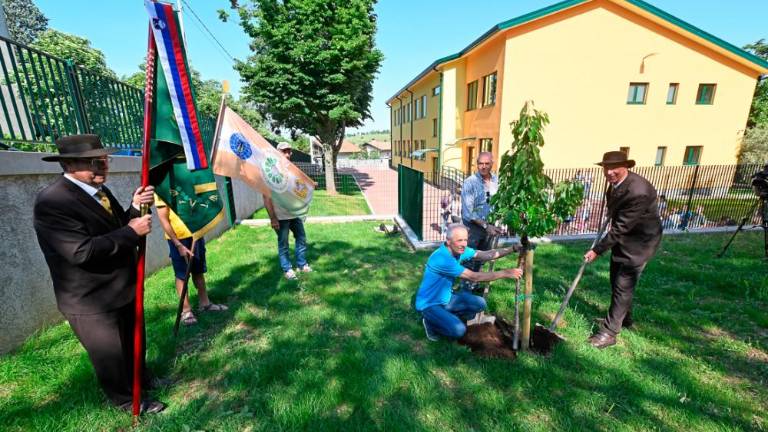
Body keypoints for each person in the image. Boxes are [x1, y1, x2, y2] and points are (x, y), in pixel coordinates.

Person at [33, 134, 165, 413]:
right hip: (91, 297)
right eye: (95, 162)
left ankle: (142, 380)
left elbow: (115, 226)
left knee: (133, 341)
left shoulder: (98, 191)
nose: (103, 166)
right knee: (111, 354)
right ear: (69, 165)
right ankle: (127, 401)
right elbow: (80, 251)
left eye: (105, 160)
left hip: (120, 287)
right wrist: (132, 231)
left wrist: (134, 206)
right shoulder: (53, 201)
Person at [584, 151, 662, 349]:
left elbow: (621, 227)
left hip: (640, 242)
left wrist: (597, 250)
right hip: (624, 239)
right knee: (615, 279)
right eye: (606, 168)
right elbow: (616, 216)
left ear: (625, 167)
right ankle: (624, 318)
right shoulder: (614, 186)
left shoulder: (638, 191)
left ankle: (609, 333)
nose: (609, 172)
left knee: (623, 283)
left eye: (614, 168)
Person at [415, 223, 523, 341]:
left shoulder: (458, 250)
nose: (463, 244)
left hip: (446, 299)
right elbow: (474, 277)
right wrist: (506, 273)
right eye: (459, 240)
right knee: (459, 330)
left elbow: (485, 255)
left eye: (465, 240)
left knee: (480, 303)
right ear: (448, 241)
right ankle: (430, 323)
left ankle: (444, 318)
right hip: (430, 304)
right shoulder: (442, 259)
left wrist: (512, 249)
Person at [155, 196, 228, 326]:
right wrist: (178, 244)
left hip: (195, 235)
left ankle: (205, 304)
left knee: (198, 271)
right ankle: (186, 311)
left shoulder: (188, 183)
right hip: (178, 238)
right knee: (182, 275)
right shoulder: (163, 188)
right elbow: (163, 219)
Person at [264, 141, 311, 280]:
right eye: (284, 151)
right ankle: (287, 269)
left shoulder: (292, 170)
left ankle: (302, 265)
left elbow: (298, 190)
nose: (288, 154)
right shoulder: (270, 171)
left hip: (294, 213)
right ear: (277, 152)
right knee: (283, 243)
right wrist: (273, 218)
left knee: (301, 238)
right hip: (280, 216)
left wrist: (310, 186)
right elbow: (266, 198)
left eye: (289, 151)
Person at [460, 152, 501, 288]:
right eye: (480, 163)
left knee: (483, 257)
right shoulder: (470, 182)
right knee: (469, 258)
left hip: (490, 227)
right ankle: (465, 288)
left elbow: (498, 203)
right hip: (473, 228)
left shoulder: (496, 180)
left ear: (492, 164)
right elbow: (468, 212)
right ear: (476, 164)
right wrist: (485, 226)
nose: (483, 167)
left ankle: (474, 283)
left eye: (486, 163)